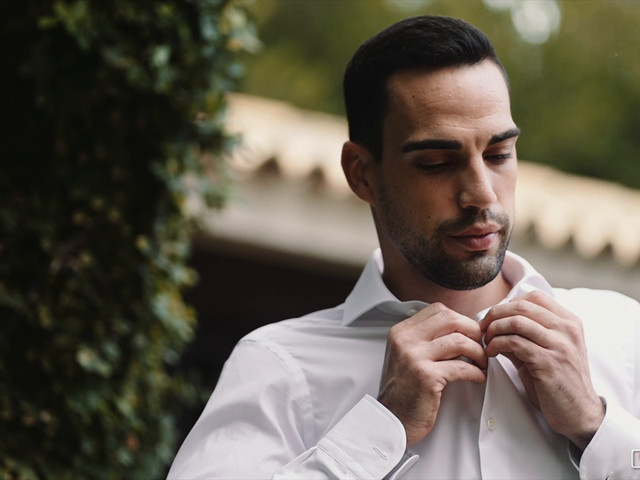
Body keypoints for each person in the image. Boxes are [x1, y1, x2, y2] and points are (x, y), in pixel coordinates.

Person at [168, 15, 640, 479]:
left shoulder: (622, 336)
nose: (482, 193)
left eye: (499, 154)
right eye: (436, 163)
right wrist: (379, 428)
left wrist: (596, 426)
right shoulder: (277, 366)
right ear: (361, 173)